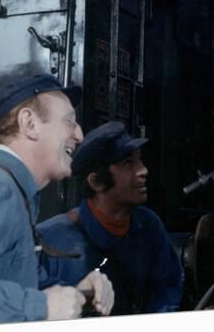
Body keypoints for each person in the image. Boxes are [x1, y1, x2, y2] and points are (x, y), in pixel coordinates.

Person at [0, 74, 114, 326]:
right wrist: (40, 306)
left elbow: (14, 284)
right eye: (69, 122)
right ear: (29, 124)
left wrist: (78, 293)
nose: (79, 135)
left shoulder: (14, 191)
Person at [37, 121, 184, 315]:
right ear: (96, 182)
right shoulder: (49, 241)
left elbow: (167, 288)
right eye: (128, 163)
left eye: (139, 160)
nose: (143, 171)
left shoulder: (148, 226)